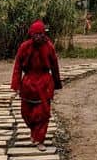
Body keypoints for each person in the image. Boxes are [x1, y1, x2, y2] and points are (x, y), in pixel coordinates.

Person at [10, 19, 62, 151]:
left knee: (43, 114)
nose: (38, 37)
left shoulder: (49, 47)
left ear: (44, 34)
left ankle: (40, 139)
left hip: (44, 84)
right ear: (31, 34)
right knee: (26, 113)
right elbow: (17, 67)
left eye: (40, 34)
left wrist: (56, 84)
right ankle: (34, 132)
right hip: (28, 84)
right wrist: (16, 85)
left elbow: (55, 66)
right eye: (35, 34)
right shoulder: (24, 47)